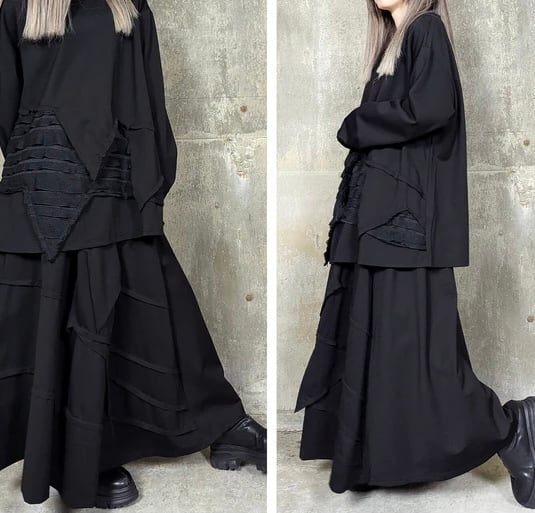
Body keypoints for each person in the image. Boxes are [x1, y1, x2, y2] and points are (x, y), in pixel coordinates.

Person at [0, 0, 266, 509]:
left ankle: (220, 423)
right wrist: (44, 165)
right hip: (43, 185)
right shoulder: (19, 7)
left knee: (149, 300)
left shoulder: (128, 6)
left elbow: (147, 99)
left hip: (112, 176)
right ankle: (81, 456)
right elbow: (6, 105)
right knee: (61, 319)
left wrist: (150, 183)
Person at [295, 0, 535, 508]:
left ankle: (513, 426)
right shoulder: (395, 41)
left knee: (422, 355)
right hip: (381, 224)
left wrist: (358, 122)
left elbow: (431, 108)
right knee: (389, 349)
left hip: (404, 226)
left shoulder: (426, 29)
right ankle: (376, 457)